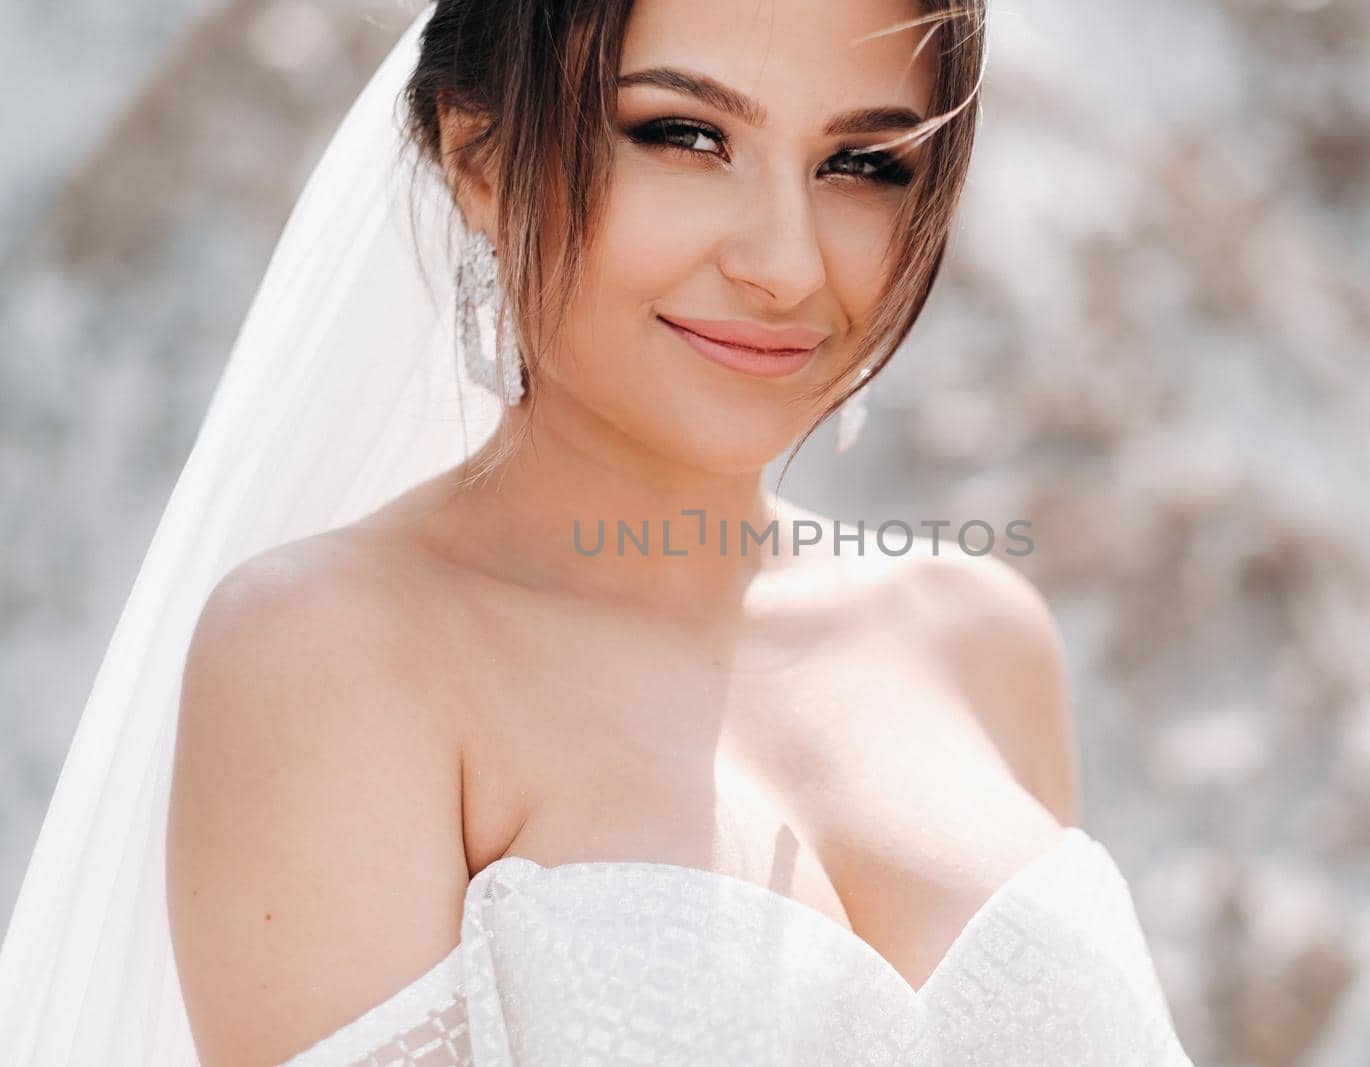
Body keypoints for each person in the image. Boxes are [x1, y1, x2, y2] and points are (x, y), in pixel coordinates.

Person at [0, 2, 1195, 1064]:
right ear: (479, 151)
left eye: (863, 162)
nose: (783, 262)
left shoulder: (980, 642)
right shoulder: (336, 655)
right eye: (683, 135)